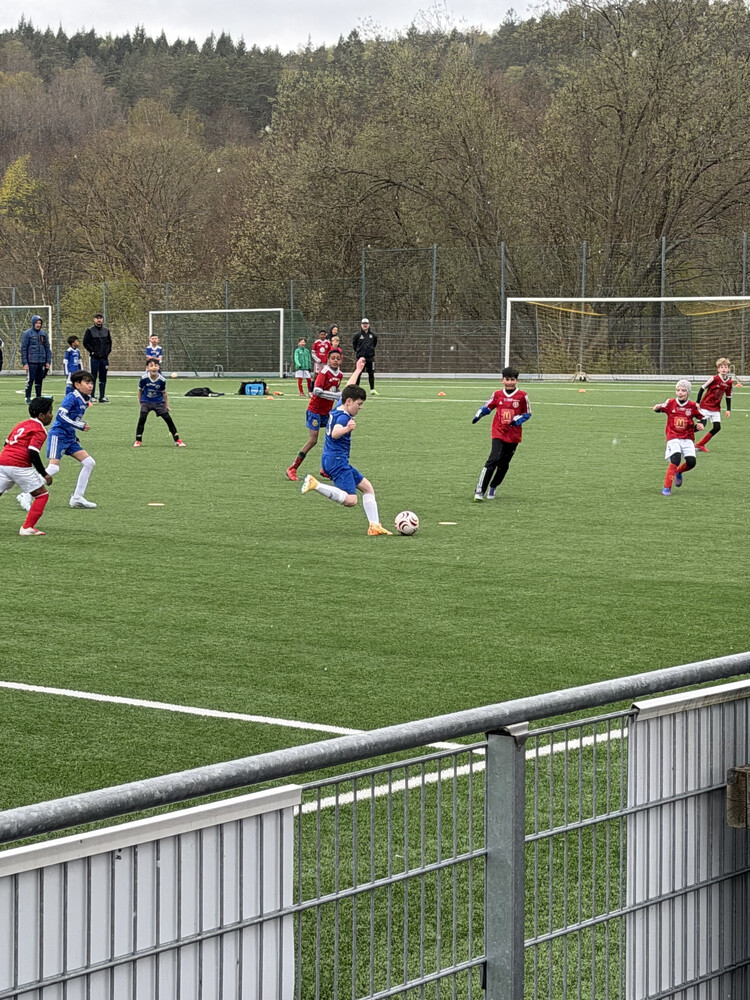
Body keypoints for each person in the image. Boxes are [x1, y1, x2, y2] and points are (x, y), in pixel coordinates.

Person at [301, 384, 392, 536]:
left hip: (332, 458)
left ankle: (374, 526)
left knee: (367, 488)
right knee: (351, 500)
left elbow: (349, 387)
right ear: (349, 401)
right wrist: (347, 429)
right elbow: (335, 433)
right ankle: (315, 485)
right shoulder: (344, 417)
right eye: (359, 404)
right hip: (337, 461)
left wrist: (357, 372)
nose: (360, 408)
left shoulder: (339, 407)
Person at [20, 370, 99, 511]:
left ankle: (77, 498)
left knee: (89, 462)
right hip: (58, 434)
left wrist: (74, 429)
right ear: (77, 384)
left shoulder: (85, 399)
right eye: (87, 383)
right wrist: (79, 425)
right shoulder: (72, 397)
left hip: (69, 436)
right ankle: (26, 494)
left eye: (92, 383)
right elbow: (61, 416)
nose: (90, 385)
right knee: (53, 468)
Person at [286, 352, 364, 481]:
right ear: (327, 359)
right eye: (332, 358)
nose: (335, 360)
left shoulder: (339, 374)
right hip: (315, 410)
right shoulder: (324, 372)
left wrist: (339, 394)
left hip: (327, 412)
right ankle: (293, 467)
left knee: (331, 436)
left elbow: (335, 390)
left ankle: (326, 468)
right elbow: (317, 391)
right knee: (313, 440)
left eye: (338, 359)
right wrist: (337, 396)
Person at [471, 366, 531, 501]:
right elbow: (488, 406)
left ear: (517, 381)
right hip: (498, 431)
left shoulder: (522, 396)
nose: (509, 382)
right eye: (507, 379)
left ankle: (493, 486)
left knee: (503, 464)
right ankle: (479, 491)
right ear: (502, 380)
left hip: (513, 434)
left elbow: (527, 413)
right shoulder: (497, 394)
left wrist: (518, 420)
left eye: (512, 379)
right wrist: (480, 413)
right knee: (493, 459)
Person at [1, 397, 54, 536]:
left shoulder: (22, 424)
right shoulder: (39, 430)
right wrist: (44, 474)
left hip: (3, 462)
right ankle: (27, 527)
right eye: (50, 412)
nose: (51, 415)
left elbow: (6, 443)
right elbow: (32, 452)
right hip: (19, 465)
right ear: (41, 415)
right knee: (42, 495)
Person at [653, 379, 705, 496]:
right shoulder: (670, 402)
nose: (680, 393)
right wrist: (656, 408)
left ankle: (678, 472)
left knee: (691, 462)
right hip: (673, 436)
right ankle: (667, 488)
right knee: (675, 458)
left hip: (687, 437)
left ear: (688, 392)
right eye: (678, 390)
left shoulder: (693, 406)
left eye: (683, 390)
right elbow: (659, 409)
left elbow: (702, 418)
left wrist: (701, 425)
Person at [134, 359, 186, 448]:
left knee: (168, 419)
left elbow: (164, 393)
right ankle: (138, 440)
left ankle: (177, 440)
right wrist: (140, 403)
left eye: (156, 365)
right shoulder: (144, 379)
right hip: (146, 402)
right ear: (147, 368)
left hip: (158, 402)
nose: (154, 368)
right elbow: (139, 391)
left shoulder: (162, 380)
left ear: (158, 367)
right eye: (151, 366)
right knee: (142, 418)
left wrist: (166, 405)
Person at [695, 357, 733, 452]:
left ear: (728, 369)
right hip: (705, 406)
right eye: (721, 367)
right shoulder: (714, 378)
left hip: (715, 408)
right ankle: (680, 434)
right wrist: (698, 402)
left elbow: (728, 396)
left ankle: (700, 444)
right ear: (718, 369)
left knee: (717, 427)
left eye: (725, 367)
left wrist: (728, 409)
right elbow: (702, 388)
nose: (723, 369)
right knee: (701, 426)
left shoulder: (729, 382)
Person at [21, 314, 52, 403]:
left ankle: (38, 397)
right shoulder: (27, 334)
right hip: (31, 361)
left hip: (41, 361)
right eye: (37, 323)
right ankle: (28, 397)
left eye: (40, 323)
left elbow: (47, 348)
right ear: (33, 323)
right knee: (30, 380)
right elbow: (24, 349)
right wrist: (25, 363)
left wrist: (48, 361)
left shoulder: (43, 334)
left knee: (39, 380)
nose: (38, 325)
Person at [83, 312, 112, 403]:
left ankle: (102, 396)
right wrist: (92, 352)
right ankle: (92, 396)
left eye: (100, 318)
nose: (99, 320)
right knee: (93, 376)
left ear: (102, 319)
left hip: (104, 358)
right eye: (97, 318)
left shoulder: (106, 330)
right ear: (94, 319)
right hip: (94, 358)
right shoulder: (90, 330)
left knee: (103, 376)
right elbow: (85, 343)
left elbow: (109, 343)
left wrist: (106, 353)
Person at [352, 318, 379, 394]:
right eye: (363, 324)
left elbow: (374, 344)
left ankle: (372, 389)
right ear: (361, 325)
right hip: (360, 358)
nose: (365, 325)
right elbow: (354, 346)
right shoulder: (357, 335)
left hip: (370, 358)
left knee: (371, 373)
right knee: (358, 373)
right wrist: (360, 353)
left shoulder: (373, 335)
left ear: (369, 325)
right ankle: (356, 388)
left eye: (366, 324)